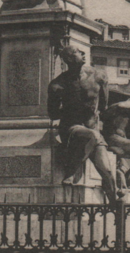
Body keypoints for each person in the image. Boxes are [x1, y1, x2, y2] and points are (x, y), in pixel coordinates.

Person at [47, 46, 117, 204]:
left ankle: (116, 208)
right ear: (70, 59)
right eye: (78, 52)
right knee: (92, 135)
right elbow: (53, 114)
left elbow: (104, 105)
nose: (84, 53)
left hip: (92, 130)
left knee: (108, 173)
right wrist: (72, 108)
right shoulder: (58, 84)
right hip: (71, 128)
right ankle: (70, 171)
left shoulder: (99, 76)